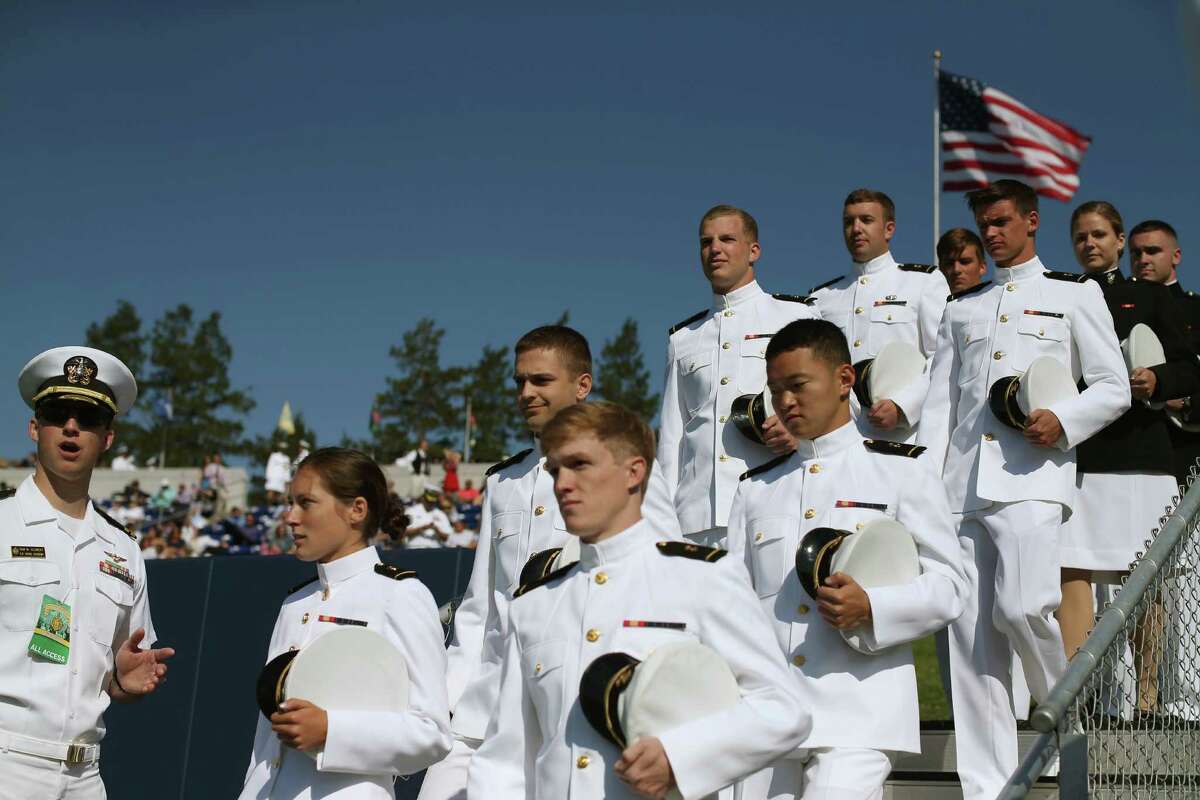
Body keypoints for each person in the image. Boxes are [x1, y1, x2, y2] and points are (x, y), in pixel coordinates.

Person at [467, 401, 810, 799]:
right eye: (555, 470)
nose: (562, 484)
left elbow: (783, 710)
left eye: (579, 465)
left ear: (634, 471)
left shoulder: (702, 577)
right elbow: (506, 759)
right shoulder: (533, 604)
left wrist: (680, 757)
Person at [919, 179, 1130, 800]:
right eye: (985, 222)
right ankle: (985, 785)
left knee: (1022, 607)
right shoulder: (963, 308)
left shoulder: (1074, 295)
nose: (991, 232)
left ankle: (1066, 727)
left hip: (1033, 479)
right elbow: (939, 410)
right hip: (961, 490)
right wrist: (924, 492)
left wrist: (1064, 421)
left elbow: (1112, 385)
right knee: (972, 641)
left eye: (1002, 220)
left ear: (1032, 221)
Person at [726, 319, 966, 799]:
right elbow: (731, 601)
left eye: (797, 386)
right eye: (775, 391)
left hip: (859, 709)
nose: (785, 403)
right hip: (770, 716)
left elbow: (950, 586)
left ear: (843, 380)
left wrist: (874, 607)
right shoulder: (755, 489)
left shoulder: (902, 470)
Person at [418, 325, 595, 800]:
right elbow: (480, 609)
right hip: (486, 704)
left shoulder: (622, 471)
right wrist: (449, 701)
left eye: (540, 380)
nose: (526, 393)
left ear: (582, 385)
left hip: (571, 702)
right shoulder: (504, 481)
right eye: (520, 382)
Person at [1, 346, 173, 800]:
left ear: (108, 438)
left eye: (89, 418)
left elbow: (120, 677)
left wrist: (127, 682)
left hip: (86, 777)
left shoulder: (124, 549)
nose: (72, 426)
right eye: (58, 413)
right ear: (35, 428)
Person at [238, 448, 452, 799]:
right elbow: (266, 743)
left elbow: (432, 733)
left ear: (356, 510)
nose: (290, 517)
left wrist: (331, 731)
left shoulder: (400, 595)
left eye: (306, 503)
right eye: (291, 503)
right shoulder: (295, 603)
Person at [1058, 202, 1200, 660]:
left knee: (1143, 577)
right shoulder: (1059, 295)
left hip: (1141, 453)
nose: (1089, 244)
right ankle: (1076, 696)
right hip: (1081, 454)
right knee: (1070, 569)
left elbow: (1188, 368)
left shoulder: (1151, 297)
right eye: (1081, 236)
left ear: (1119, 241)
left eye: (1098, 235)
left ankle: (1145, 701)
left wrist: (1158, 380)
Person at [644, 204, 820, 549]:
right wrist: (663, 521)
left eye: (727, 239)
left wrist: (801, 434)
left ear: (753, 251)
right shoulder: (683, 339)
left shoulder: (797, 316)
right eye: (706, 242)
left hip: (771, 504)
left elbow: (837, 404)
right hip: (694, 520)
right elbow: (672, 438)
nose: (715, 249)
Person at [810, 189, 949, 444]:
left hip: (900, 439)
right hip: (838, 440)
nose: (856, 228)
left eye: (866, 220)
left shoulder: (922, 282)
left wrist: (903, 405)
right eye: (848, 222)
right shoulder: (822, 298)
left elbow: (943, 357)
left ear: (889, 229)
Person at [1130, 220, 1200, 488]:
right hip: (1132, 447)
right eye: (1136, 253)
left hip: (1188, 446)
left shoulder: (1196, 310)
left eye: (1152, 251)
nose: (1143, 259)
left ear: (1176, 256)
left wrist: (1186, 403)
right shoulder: (1112, 307)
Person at [937, 227, 989, 295]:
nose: (956, 270)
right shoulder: (928, 304)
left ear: (982, 267)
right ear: (941, 269)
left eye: (965, 262)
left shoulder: (1001, 303)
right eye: (949, 264)